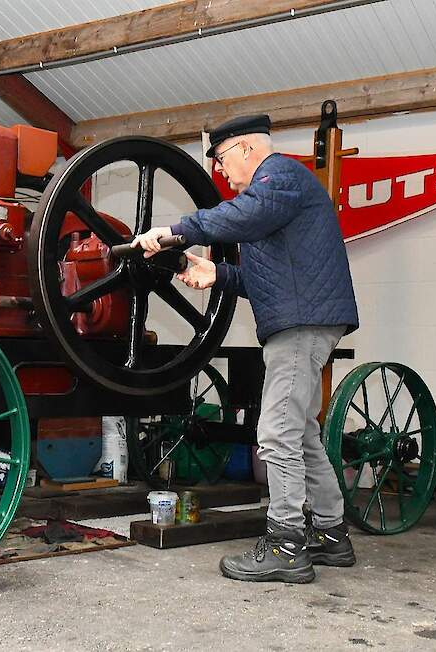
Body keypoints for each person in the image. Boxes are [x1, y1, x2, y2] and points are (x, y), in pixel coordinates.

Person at [132, 114, 359, 584]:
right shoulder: (272, 200)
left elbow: (239, 218)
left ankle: (286, 546)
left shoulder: (280, 178)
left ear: (244, 149)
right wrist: (218, 276)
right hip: (300, 318)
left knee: (275, 433)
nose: (220, 171)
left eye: (220, 159)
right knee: (300, 434)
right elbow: (267, 280)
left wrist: (174, 231)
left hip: (300, 326)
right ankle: (332, 536)